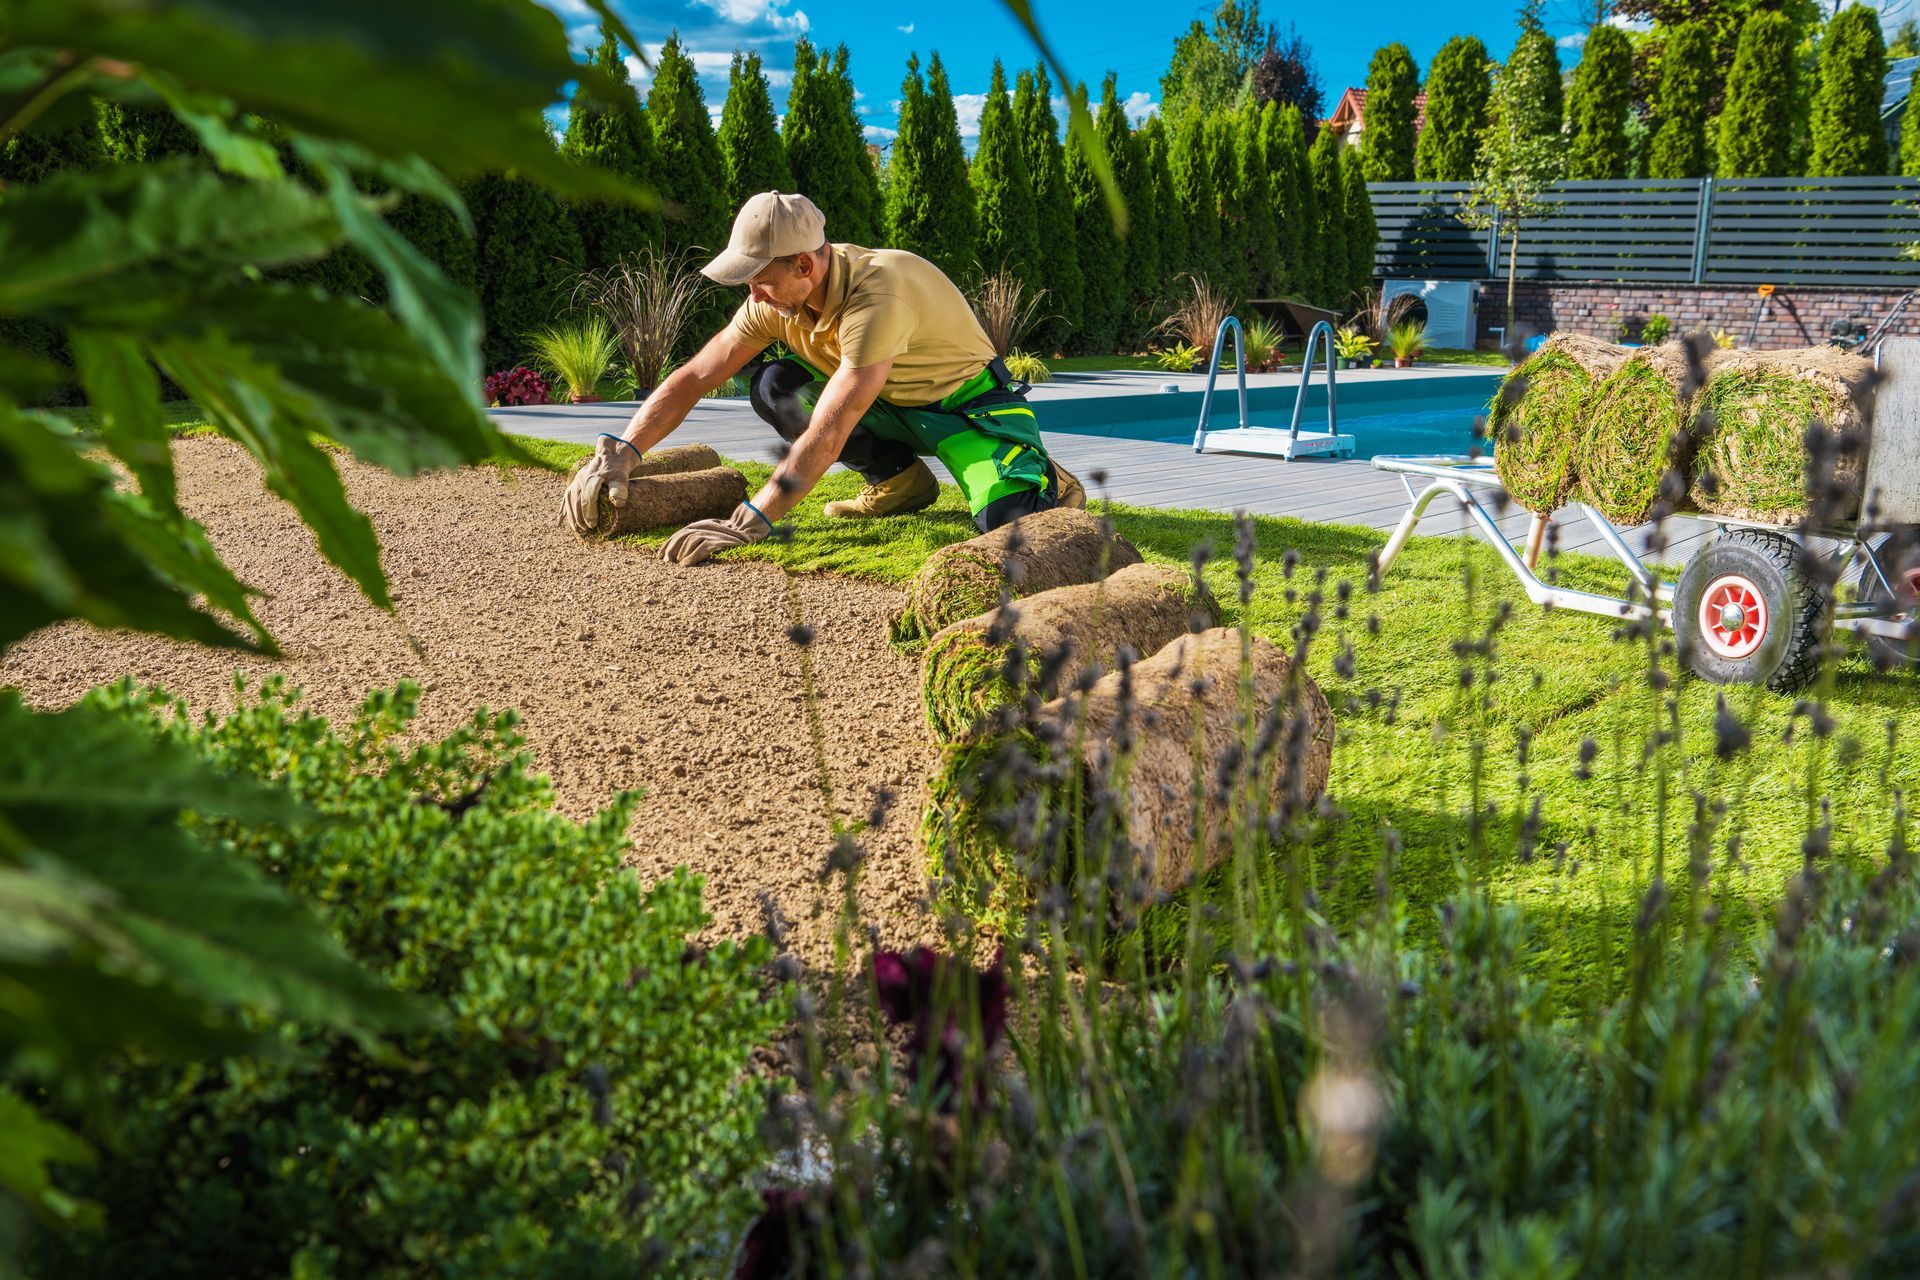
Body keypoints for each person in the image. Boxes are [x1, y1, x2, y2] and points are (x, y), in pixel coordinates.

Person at [560, 190, 1083, 565]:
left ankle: (1045, 477)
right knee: (773, 387)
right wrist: (622, 450)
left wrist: (747, 521)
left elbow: (830, 430)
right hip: (885, 403)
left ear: (805, 265)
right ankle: (900, 483)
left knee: (1011, 527)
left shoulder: (879, 296)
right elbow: (697, 374)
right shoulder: (775, 299)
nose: (753, 296)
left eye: (761, 282)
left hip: (960, 410)